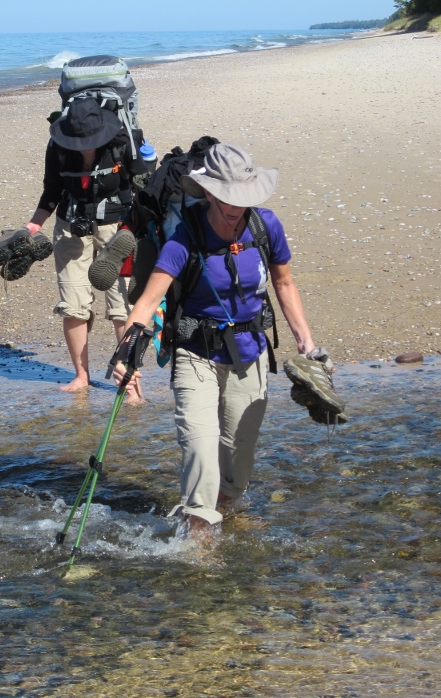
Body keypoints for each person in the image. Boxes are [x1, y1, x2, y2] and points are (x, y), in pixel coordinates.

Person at [112, 142, 328, 530]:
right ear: (208, 192)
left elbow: (284, 283)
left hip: (250, 354)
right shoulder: (184, 237)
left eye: (242, 199)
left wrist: (307, 344)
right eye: (227, 198)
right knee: (199, 448)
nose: (235, 208)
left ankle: (218, 512)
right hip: (195, 354)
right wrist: (124, 353)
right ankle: (199, 542)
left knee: (237, 465)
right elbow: (148, 302)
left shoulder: (266, 226)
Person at [26, 97, 143, 395]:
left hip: (119, 226)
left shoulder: (121, 142)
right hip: (70, 225)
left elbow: (143, 185)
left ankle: (130, 382)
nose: (85, 146)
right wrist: (33, 226)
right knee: (73, 305)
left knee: (122, 306)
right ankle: (81, 377)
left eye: (91, 140)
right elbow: (51, 191)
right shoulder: (57, 148)